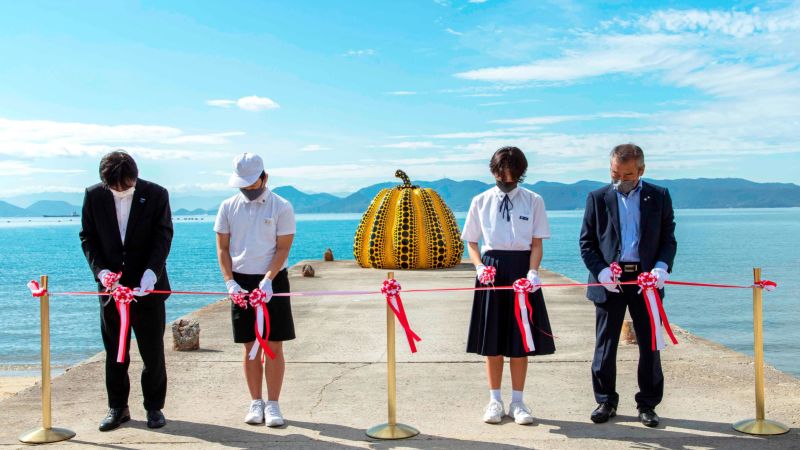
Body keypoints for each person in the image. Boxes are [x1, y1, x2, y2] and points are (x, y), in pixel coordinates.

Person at [579, 143, 677, 428]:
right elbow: (586, 243)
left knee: (649, 346)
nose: (619, 180)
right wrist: (600, 271)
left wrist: (661, 266)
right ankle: (605, 400)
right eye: (614, 173)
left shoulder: (659, 196)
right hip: (610, 282)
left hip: (646, 282)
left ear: (641, 171)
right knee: (606, 346)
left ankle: (647, 404)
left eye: (627, 174)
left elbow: (668, 239)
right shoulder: (597, 198)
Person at [79, 150, 173, 431]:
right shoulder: (93, 195)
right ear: (105, 182)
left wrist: (150, 273)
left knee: (152, 350)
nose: (121, 191)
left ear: (135, 176)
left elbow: (163, 235)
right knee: (115, 351)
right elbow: (88, 237)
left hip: (148, 288)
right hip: (112, 289)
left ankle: (154, 407)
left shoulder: (156, 194)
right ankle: (117, 407)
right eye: (115, 188)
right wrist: (101, 272)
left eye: (126, 186)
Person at [461, 146, 555, 425]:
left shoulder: (533, 200)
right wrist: (479, 266)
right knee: (492, 339)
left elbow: (536, 243)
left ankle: (518, 402)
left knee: (519, 339)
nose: (506, 181)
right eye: (502, 176)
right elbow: (472, 242)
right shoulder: (480, 200)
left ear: (521, 175)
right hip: (491, 270)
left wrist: (533, 271)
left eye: (513, 177)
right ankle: (494, 401)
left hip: (521, 271)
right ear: (493, 172)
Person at [214, 152, 296, 426]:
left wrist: (269, 279)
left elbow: (283, 247)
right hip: (241, 281)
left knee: (273, 344)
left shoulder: (281, 206)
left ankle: (273, 404)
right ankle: (255, 401)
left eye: (253, 184)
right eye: (243, 185)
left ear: (264, 177)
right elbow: (223, 248)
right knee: (250, 345)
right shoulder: (228, 206)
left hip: (272, 281)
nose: (248, 190)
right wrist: (230, 282)